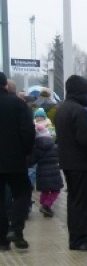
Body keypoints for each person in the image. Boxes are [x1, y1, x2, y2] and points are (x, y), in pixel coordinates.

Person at [54, 75, 87, 251]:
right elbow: (85, 139)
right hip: (80, 163)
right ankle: (78, 239)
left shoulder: (63, 108)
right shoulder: (78, 110)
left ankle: (79, 236)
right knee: (80, 202)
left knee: (75, 200)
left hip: (69, 162)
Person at [0, 72, 36, 250]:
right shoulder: (18, 104)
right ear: (5, 85)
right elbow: (28, 132)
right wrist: (27, 153)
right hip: (15, 159)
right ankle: (16, 229)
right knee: (23, 192)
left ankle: (2, 241)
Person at [30, 123, 63, 218]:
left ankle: (44, 205)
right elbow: (60, 156)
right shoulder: (54, 146)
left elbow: (32, 161)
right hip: (54, 171)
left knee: (44, 191)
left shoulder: (36, 148)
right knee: (56, 190)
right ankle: (46, 205)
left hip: (41, 171)